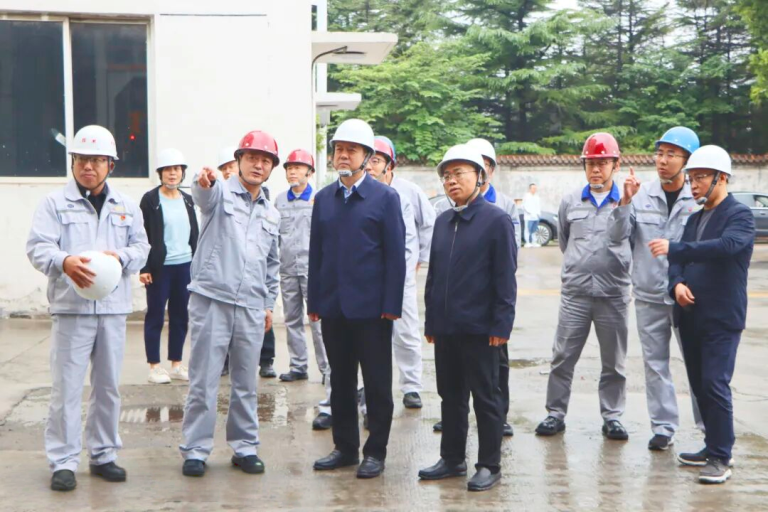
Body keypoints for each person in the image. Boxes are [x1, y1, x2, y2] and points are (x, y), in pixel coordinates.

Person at [26, 125, 150, 492]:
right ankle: (64, 461)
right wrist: (63, 261)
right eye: (81, 159)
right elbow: (38, 247)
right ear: (73, 162)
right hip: (71, 309)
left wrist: (121, 257)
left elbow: (142, 248)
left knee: (108, 386)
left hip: (112, 309)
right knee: (66, 388)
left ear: (111, 164)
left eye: (97, 160)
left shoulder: (126, 206)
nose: (88, 167)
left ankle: (103, 454)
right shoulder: (54, 204)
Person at [648, 145, 755, 484]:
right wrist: (677, 285)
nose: (693, 185)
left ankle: (722, 456)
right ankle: (712, 446)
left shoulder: (739, 215)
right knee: (699, 385)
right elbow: (677, 261)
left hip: (721, 317)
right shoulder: (694, 219)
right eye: (691, 179)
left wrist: (676, 248)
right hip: (691, 314)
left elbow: (725, 247)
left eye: (700, 178)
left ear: (721, 178)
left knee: (714, 383)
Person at [309, 119, 406, 479]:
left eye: (351, 150)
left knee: (377, 383)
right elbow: (316, 253)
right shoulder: (324, 199)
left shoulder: (385, 198)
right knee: (341, 382)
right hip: (334, 307)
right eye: (339, 149)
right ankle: (345, 447)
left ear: (367, 157)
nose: (343, 155)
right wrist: (314, 301)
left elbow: (395, 256)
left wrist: (391, 306)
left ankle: (375, 452)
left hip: (372, 310)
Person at [179, 130, 280, 478]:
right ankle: (196, 450)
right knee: (203, 381)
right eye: (251, 158)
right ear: (238, 161)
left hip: (251, 306)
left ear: (271, 168)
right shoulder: (220, 191)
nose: (258, 165)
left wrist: (268, 303)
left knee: (246, 384)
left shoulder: (271, 212)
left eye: (265, 160)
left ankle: (245, 447)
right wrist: (203, 179)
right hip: (212, 300)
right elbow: (202, 193)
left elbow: (272, 263)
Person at [418, 144, 517, 492]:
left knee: (486, 397)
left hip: (481, 328)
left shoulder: (496, 220)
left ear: (480, 176)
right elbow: (434, 276)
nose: (451, 181)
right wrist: (432, 321)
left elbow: (505, 277)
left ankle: (489, 464)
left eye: (459, 173)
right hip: (447, 327)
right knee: (451, 396)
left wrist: (501, 324)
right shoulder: (443, 221)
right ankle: (452, 458)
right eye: (446, 175)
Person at [609, 126, 704, 451]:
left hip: (688, 297)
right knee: (655, 365)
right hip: (649, 295)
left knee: (698, 364)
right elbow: (616, 238)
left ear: (687, 161)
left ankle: (710, 429)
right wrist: (625, 201)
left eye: (671, 155)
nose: (662, 161)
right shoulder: (641, 195)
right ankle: (663, 427)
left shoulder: (698, 199)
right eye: (660, 153)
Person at [535, 132, 633, 440]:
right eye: (590, 163)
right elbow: (565, 242)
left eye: (602, 163)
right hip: (576, 294)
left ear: (616, 165)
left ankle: (612, 417)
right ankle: (555, 413)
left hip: (613, 294)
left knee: (614, 362)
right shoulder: (570, 201)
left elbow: (632, 241)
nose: (596, 169)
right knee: (563, 356)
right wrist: (580, 268)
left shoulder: (627, 201)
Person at [364, 135, 435, 410]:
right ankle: (364, 387)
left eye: (376, 160)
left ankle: (411, 386)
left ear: (389, 165)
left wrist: (421, 259)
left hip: (402, 276)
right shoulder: (360, 192)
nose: (370, 166)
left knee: (406, 332)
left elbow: (428, 224)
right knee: (367, 335)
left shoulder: (409, 192)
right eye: (367, 160)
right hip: (369, 278)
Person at [274, 148, 333, 430]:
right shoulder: (279, 201)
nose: (292, 172)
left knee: (318, 322)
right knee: (292, 319)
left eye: (298, 167)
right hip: (287, 268)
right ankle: (298, 366)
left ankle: (326, 368)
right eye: (289, 168)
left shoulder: (318, 200)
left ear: (309, 172)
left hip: (313, 270)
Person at [139, 148, 199, 384]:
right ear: (160, 173)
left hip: (184, 266)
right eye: (167, 170)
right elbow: (142, 235)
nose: (172, 174)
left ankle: (176, 364)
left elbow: (194, 233)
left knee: (180, 316)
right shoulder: (150, 200)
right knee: (155, 315)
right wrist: (144, 268)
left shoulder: (188, 200)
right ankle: (154, 367)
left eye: (176, 169)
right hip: (160, 268)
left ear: (182, 173)